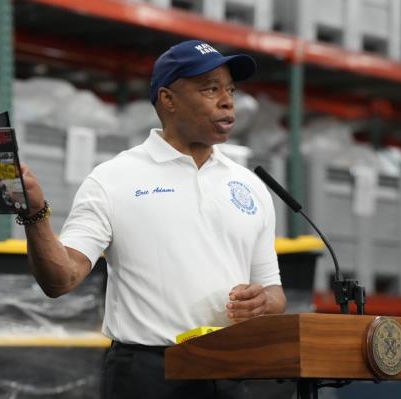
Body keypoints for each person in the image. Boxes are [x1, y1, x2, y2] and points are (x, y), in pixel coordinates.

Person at [18, 39, 288, 399]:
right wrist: (35, 215)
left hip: (228, 372)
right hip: (148, 377)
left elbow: (274, 291)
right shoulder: (113, 179)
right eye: (210, 89)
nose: (227, 101)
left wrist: (263, 302)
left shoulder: (250, 186)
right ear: (168, 99)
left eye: (230, 90)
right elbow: (61, 278)